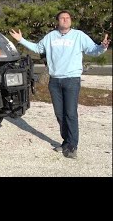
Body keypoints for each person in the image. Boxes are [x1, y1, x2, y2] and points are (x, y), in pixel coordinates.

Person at [9, 10, 110, 159]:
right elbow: (38, 48)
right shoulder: (50, 37)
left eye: (68, 18)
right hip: (55, 81)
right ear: (58, 21)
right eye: (62, 18)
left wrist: (102, 46)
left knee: (70, 113)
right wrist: (21, 40)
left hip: (71, 80)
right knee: (60, 114)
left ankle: (73, 145)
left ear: (71, 21)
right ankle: (66, 141)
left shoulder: (79, 36)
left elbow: (93, 50)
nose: (65, 20)